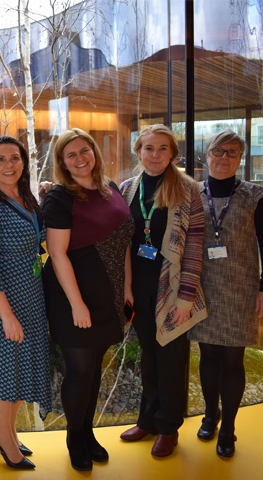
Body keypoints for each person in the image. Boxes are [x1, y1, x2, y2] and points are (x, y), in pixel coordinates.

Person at [42, 129, 134, 471]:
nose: (80, 158)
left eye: (85, 151)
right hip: (72, 296)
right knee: (79, 371)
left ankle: (88, 431)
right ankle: (73, 437)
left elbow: (122, 240)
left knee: (94, 369)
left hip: (108, 294)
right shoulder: (60, 198)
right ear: (63, 164)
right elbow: (57, 253)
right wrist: (76, 304)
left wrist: (127, 291)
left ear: (94, 152)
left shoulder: (112, 190)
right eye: (71, 155)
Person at [119, 124, 207, 457]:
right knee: (149, 357)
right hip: (137, 286)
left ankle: (169, 426)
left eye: (162, 149)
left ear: (173, 154)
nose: (155, 155)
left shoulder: (188, 190)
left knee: (171, 358)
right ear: (138, 151)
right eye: (148, 149)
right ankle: (148, 420)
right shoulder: (128, 188)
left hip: (171, 286)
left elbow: (196, 246)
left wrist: (186, 298)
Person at [0, 136, 51, 471]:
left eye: (15, 158)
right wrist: (6, 316)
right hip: (2, 305)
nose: (9, 165)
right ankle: (5, 442)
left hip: (30, 299)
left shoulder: (28, 199)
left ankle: (8, 434)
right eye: (0, 159)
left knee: (18, 374)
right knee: (5, 376)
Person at [187, 130, 263, 458]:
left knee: (232, 358)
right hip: (202, 287)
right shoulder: (191, 194)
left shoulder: (255, 196)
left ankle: (229, 427)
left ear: (241, 158)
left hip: (240, 287)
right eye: (218, 151)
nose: (224, 158)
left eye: (232, 152)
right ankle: (210, 414)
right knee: (208, 356)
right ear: (206, 154)